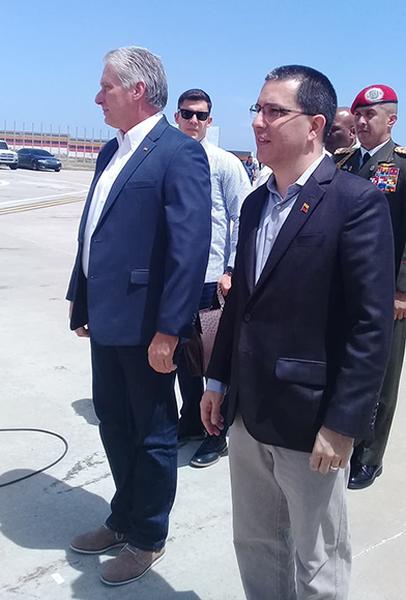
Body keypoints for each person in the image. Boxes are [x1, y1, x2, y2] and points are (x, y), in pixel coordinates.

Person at [201, 65, 394, 599]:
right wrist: (217, 382)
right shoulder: (255, 202)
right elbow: (242, 301)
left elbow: (369, 325)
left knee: (318, 561)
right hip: (248, 410)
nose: (259, 122)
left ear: (312, 125)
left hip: (310, 421)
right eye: (257, 110)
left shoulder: (356, 202)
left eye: (273, 111)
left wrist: (344, 423)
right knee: (257, 544)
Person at [66, 46, 211, 586]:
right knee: (114, 421)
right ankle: (123, 515)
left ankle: (148, 535)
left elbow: (188, 249)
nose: (97, 96)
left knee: (151, 433)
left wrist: (169, 329)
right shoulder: (111, 151)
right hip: (107, 319)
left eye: (106, 86)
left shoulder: (178, 153)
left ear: (137, 90)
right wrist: (81, 301)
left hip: (150, 325)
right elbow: (95, 232)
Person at [174, 88, 251, 467]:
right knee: (181, 356)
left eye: (200, 116)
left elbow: (243, 219)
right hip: (176, 281)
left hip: (210, 280)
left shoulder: (223, 164)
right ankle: (190, 420)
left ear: (210, 121)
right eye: (187, 114)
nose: (193, 121)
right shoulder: (167, 160)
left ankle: (214, 434)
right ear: (177, 116)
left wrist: (232, 269)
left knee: (211, 362)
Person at [334, 84, 406, 490]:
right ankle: (345, 438)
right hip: (345, 287)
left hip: (386, 294)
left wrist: (401, 289)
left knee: (382, 376)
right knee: (347, 366)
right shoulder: (344, 163)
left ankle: (369, 457)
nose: (360, 122)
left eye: (370, 116)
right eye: (358, 115)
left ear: (391, 120)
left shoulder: (402, 165)